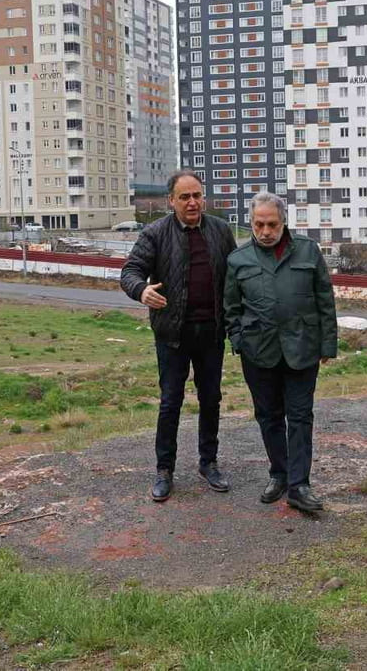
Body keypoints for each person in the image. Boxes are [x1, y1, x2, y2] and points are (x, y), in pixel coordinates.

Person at [120, 170, 237, 502]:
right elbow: (129, 272)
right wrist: (141, 290)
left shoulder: (220, 231)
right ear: (170, 201)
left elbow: (236, 274)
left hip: (212, 332)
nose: (192, 202)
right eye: (184, 197)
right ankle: (164, 470)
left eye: (197, 195)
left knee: (211, 399)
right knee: (171, 402)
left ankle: (209, 463)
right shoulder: (155, 233)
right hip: (172, 334)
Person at [223, 192, 337, 513]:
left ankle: (300, 485)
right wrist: (238, 341)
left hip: (302, 349)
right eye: (259, 224)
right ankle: (279, 474)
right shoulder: (238, 259)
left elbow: (324, 300)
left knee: (300, 417)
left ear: (283, 222)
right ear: (251, 223)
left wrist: (327, 345)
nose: (265, 231)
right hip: (258, 352)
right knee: (269, 417)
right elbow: (230, 308)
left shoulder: (308, 251)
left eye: (272, 224)